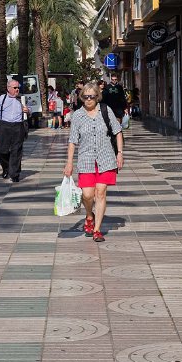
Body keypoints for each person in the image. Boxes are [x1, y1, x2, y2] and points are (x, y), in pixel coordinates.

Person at [64, 82, 124, 242]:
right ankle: (89, 215)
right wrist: (69, 163)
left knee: (101, 193)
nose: (89, 99)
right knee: (87, 194)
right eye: (86, 96)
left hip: (106, 158)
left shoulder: (106, 110)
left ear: (98, 97)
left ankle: (97, 229)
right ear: (81, 97)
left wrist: (120, 153)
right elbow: (72, 141)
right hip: (86, 160)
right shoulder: (77, 115)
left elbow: (117, 131)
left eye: (92, 96)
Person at [0, 79, 30, 182]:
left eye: (18, 88)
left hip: (18, 127)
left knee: (16, 151)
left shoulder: (21, 99)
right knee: (1, 149)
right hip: (4, 126)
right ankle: (6, 168)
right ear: (8, 88)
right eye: (15, 88)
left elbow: (29, 109)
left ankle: (14, 174)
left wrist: (28, 110)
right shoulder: (1, 99)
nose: (17, 90)